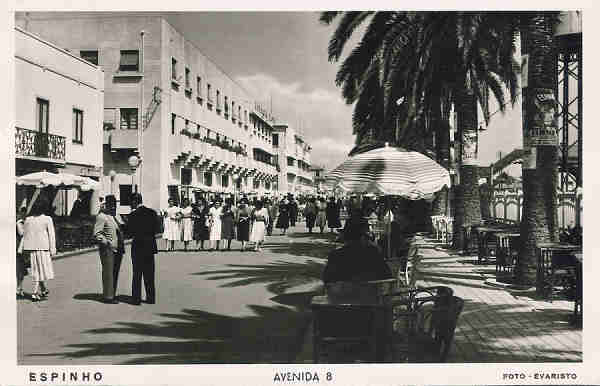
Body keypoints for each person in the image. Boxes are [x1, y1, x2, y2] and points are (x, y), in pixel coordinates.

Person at [322, 217, 392, 284]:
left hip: (343, 295)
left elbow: (327, 279)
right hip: (369, 294)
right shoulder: (373, 253)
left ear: (345, 237)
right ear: (363, 237)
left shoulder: (335, 255)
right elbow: (387, 276)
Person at [19, 197, 56, 302]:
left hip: (31, 248)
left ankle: (43, 289)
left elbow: (24, 234)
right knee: (40, 270)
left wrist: (23, 248)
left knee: (37, 269)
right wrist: (53, 249)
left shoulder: (28, 219)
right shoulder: (47, 219)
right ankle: (35, 293)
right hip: (43, 248)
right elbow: (51, 235)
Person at [126, 193, 159, 305]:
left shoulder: (133, 215)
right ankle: (151, 298)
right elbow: (158, 229)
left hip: (138, 246)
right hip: (150, 246)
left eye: (131, 202)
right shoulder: (152, 213)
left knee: (137, 273)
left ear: (135, 201)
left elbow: (129, 233)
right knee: (149, 273)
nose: (131, 204)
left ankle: (136, 299)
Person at [93, 195, 125, 304]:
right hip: (108, 249)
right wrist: (107, 242)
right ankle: (108, 297)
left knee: (115, 272)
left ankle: (112, 293)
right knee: (108, 272)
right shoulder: (101, 216)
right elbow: (97, 234)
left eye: (114, 205)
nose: (113, 207)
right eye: (111, 205)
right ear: (106, 204)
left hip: (118, 248)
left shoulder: (115, 216)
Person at [16, 207, 27, 298]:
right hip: (17, 249)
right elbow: (21, 233)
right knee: (19, 269)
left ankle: (19, 288)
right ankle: (19, 288)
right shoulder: (19, 222)